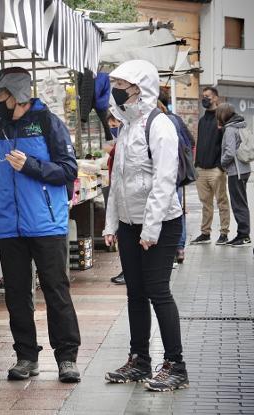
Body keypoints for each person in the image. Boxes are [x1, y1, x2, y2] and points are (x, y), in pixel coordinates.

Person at [0, 67, 82, 383]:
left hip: (48, 224)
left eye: (0, 96)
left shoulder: (49, 124)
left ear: (18, 96)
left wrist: (31, 166)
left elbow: (68, 171)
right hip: (10, 226)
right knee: (16, 294)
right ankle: (26, 357)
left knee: (56, 291)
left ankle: (67, 358)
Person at [103, 60, 188, 392]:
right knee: (135, 293)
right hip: (128, 222)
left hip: (161, 224)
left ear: (140, 87)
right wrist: (112, 224)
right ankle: (139, 360)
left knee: (158, 292)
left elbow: (164, 182)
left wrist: (150, 229)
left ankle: (175, 365)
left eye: (122, 83)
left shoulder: (160, 124)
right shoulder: (126, 126)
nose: (117, 89)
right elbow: (118, 180)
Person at [191, 87, 231, 245]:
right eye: (203, 96)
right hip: (201, 169)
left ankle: (224, 233)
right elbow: (200, 142)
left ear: (215, 98)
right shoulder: (202, 120)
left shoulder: (222, 119)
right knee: (205, 204)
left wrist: (221, 166)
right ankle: (205, 233)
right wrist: (197, 164)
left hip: (216, 170)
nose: (204, 99)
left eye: (207, 96)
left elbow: (226, 144)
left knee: (222, 202)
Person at [158, 89, 194, 263]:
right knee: (177, 210)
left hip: (167, 173)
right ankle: (179, 249)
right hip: (178, 173)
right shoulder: (176, 119)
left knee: (170, 210)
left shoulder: (162, 121)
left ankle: (171, 248)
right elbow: (191, 142)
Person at [217, 103, 252, 247]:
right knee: (241, 202)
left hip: (235, 171)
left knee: (238, 204)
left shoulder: (230, 129)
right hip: (244, 169)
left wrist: (222, 163)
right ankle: (243, 234)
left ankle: (243, 235)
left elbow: (230, 152)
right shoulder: (241, 125)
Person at [104, 113, 125, 285]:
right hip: (117, 190)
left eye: (115, 123)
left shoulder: (124, 140)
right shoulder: (120, 140)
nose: (113, 127)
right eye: (110, 124)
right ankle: (127, 270)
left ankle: (128, 271)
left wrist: (111, 151)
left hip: (125, 195)